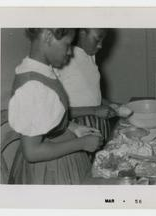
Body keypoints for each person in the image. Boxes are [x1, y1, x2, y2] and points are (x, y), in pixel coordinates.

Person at [7, 28, 103, 184]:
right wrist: (82, 143)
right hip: (48, 170)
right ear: (48, 36)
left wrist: (72, 127)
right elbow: (32, 152)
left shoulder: (43, 71)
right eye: (67, 44)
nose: (70, 52)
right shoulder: (32, 85)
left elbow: (45, 118)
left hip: (60, 153)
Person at [58, 28, 117, 143]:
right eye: (97, 40)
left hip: (97, 124)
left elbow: (89, 94)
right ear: (82, 33)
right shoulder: (64, 60)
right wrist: (94, 111)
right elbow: (56, 111)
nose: (100, 46)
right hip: (77, 128)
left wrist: (111, 104)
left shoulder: (90, 57)